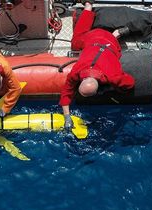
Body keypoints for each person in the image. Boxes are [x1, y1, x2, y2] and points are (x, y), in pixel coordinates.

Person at [59, 0, 135, 130]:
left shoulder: (110, 77)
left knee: (77, 41)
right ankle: (89, 7)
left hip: (106, 41)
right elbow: (129, 83)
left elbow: (130, 83)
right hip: (102, 40)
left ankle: (115, 34)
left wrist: (67, 117)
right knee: (76, 40)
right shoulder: (81, 71)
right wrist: (67, 116)